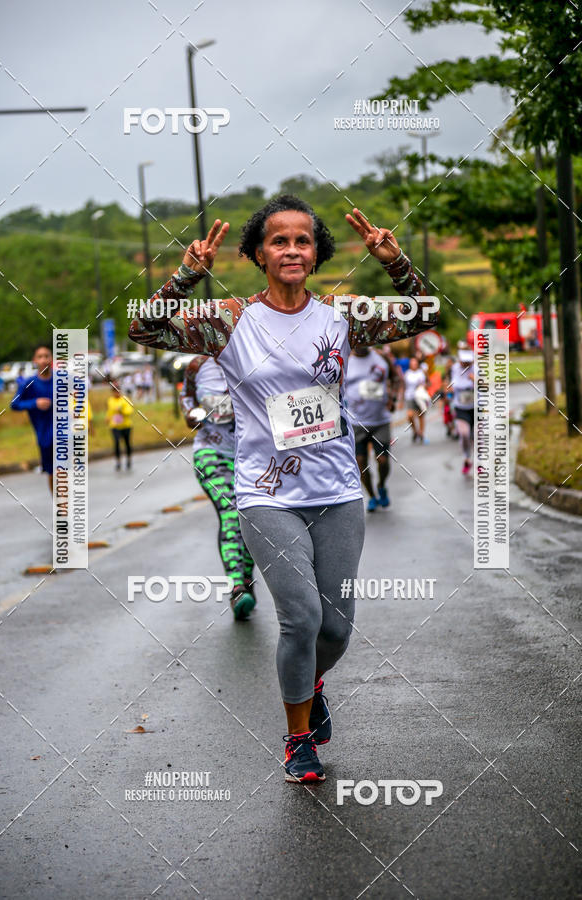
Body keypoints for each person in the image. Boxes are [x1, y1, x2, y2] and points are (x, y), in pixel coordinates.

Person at [129, 195, 437, 783]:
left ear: (316, 253)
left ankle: (310, 685)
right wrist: (187, 274)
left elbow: (423, 316)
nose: (292, 249)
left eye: (303, 240)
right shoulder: (229, 320)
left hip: (338, 490)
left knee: (336, 627)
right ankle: (298, 739)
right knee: (300, 617)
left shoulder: (341, 316)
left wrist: (395, 262)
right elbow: (144, 327)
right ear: (258, 254)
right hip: (265, 493)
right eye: (279, 240)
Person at [181, 355, 256, 620]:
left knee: (253, 519)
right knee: (231, 512)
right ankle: (237, 587)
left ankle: (246, 579)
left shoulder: (255, 355)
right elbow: (187, 396)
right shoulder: (197, 366)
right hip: (211, 451)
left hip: (252, 457)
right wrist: (191, 414)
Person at [345, 343, 398, 511]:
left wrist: (393, 398)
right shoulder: (345, 359)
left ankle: (381, 485)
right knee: (360, 462)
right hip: (356, 422)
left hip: (380, 421)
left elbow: (395, 378)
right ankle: (372, 496)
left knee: (383, 460)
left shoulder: (381, 357)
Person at [10, 344, 54, 492]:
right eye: (40, 357)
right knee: (53, 473)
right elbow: (14, 404)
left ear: (51, 358)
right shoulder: (28, 383)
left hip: (64, 433)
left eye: (46, 356)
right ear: (34, 360)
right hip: (44, 435)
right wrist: (35, 403)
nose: (44, 360)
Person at [450, 348, 475, 474]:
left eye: (468, 362)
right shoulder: (455, 368)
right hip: (461, 407)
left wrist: (475, 380)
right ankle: (467, 458)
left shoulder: (477, 369)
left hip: (477, 407)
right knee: (464, 434)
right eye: (463, 361)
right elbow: (453, 384)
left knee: (479, 437)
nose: (465, 364)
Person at [106, 381, 134, 470]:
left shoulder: (125, 399)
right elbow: (109, 411)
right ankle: (118, 462)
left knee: (127, 443)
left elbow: (130, 411)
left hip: (126, 425)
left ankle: (129, 460)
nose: (116, 393)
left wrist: (122, 411)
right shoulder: (110, 400)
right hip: (115, 426)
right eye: (114, 391)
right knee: (116, 443)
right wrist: (107, 418)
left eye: (117, 391)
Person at [404, 356, 429, 444]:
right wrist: (400, 400)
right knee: (410, 416)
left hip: (420, 396)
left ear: (417, 364)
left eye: (415, 363)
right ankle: (415, 431)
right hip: (410, 396)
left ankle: (421, 433)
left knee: (421, 415)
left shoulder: (421, 373)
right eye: (412, 363)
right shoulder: (407, 373)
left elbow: (428, 383)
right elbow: (403, 386)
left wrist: (425, 386)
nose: (414, 364)